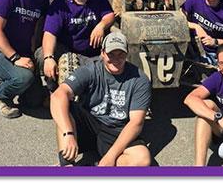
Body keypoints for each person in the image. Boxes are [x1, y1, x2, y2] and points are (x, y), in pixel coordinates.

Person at [50, 31, 152, 166]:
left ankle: (103, 166)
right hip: (90, 122)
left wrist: (111, 157)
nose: (116, 59)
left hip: (117, 130)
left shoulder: (140, 79)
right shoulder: (91, 70)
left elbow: (136, 123)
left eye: (120, 54)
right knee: (64, 105)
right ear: (102, 53)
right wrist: (68, 133)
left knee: (143, 159)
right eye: (111, 54)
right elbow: (58, 95)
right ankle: (67, 164)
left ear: (127, 54)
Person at [39, 0, 115, 87]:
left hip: (92, 55)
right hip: (67, 51)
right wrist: (48, 57)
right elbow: (50, 33)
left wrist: (101, 26)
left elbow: (110, 15)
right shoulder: (61, 2)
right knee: (42, 54)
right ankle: (53, 91)